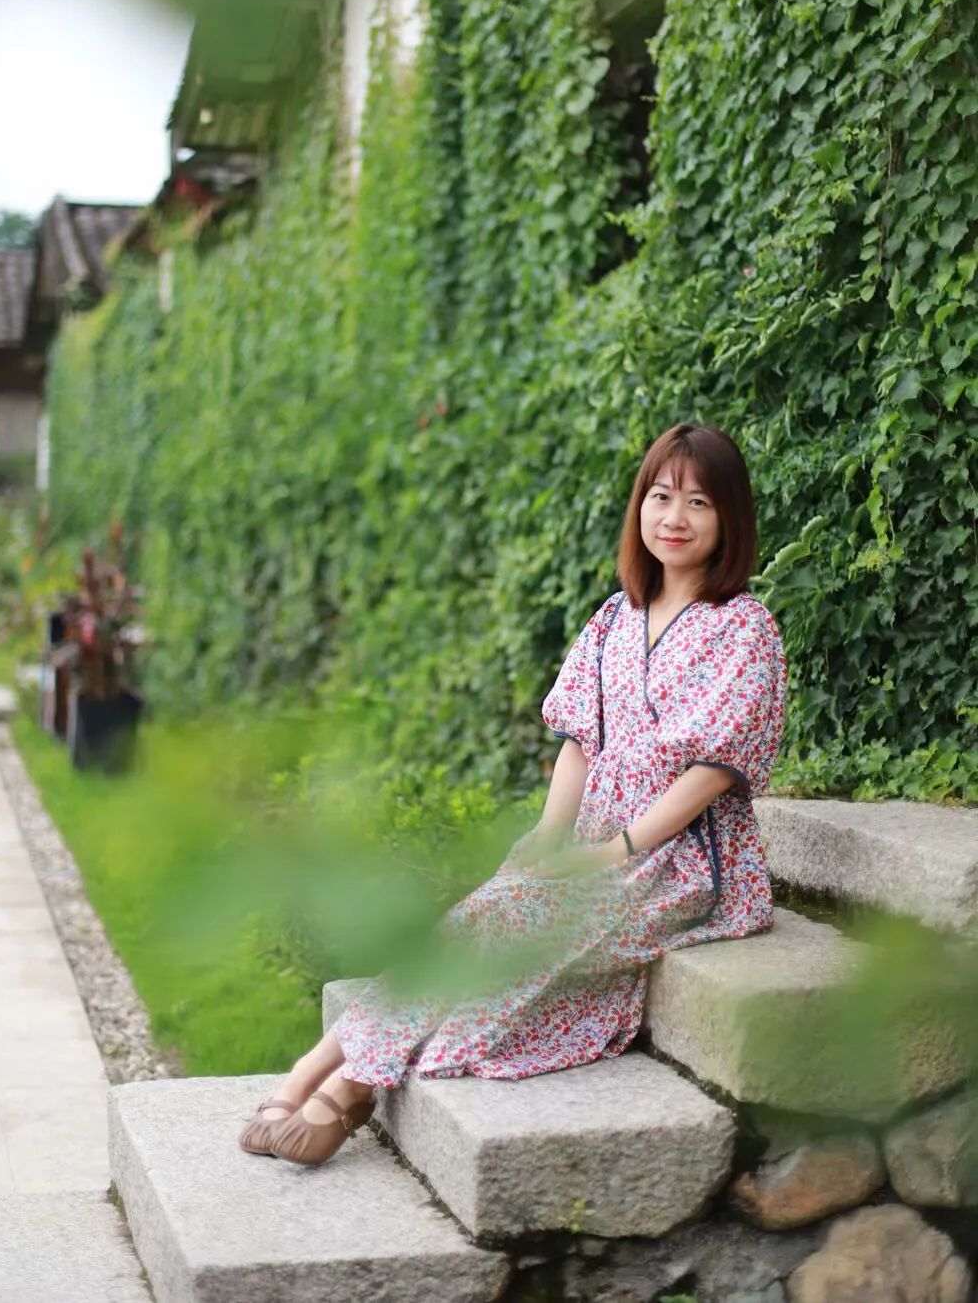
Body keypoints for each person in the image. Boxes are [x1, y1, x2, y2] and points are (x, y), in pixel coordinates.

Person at [239, 420, 788, 1166]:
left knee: (518, 930)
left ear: (730, 518)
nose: (675, 517)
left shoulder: (744, 629)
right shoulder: (614, 619)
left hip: (683, 861)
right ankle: (313, 1074)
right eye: (660, 497)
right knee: (484, 915)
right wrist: (551, 842)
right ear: (640, 507)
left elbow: (712, 773)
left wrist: (613, 851)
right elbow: (578, 743)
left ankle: (345, 1088)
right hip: (595, 840)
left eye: (699, 502)